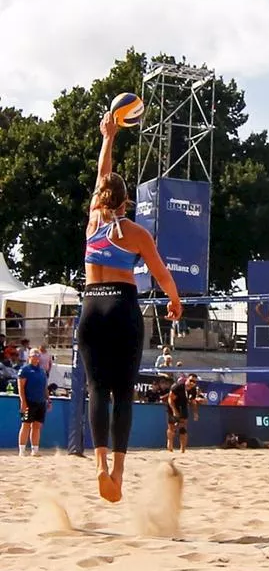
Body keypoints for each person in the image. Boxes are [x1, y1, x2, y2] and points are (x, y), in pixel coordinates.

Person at [79, 110, 182, 503]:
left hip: (91, 307)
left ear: (102, 198)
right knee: (122, 393)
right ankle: (118, 475)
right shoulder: (137, 232)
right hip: (122, 308)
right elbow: (163, 276)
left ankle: (100, 465)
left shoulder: (92, 223)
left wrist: (109, 137)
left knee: (95, 389)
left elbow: (102, 175)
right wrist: (173, 303)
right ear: (127, 201)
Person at [17, 351, 49, 456]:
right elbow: (20, 387)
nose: (36, 357)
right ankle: (22, 451)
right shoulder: (25, 370)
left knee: (37, 426)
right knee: (26, 425)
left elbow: (45, 388)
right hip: (29, 401)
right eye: (34, 355)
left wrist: (48, 400)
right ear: (29, 357)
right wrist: (23, 402)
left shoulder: (42, 371)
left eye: (38, 355)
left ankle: (34, 451)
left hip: (40, 402)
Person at [166, 375, 201, 453]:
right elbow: (170, 399)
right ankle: (170, 445)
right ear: (187, 379)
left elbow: (193, 401)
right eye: (191, 380)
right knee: (172, 428)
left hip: (183, 406)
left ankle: (182, 450)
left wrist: (195, 413)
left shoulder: (193, 390)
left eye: (194, 382)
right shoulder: (178, 387)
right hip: (173, 406)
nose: (192, 383)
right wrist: (174, 411)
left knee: (183, 428)